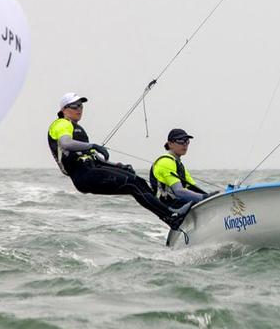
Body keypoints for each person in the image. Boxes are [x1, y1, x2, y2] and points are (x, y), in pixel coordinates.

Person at [47, 93, 189, 229]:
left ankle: (170, 212)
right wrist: (93, 145)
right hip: (83, 175)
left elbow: (95, 158)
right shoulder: (61, 124)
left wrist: (119, 166)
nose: (79, 109)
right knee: (132, 184)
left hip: (92, 169)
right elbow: (65, 143)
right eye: (75, 106)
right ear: (64, 109)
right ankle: (171, 216)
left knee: (138, 181)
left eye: (81, 106)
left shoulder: (77, 129)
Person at [149, 128, 212, 208]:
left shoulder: (178, 163)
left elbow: (194, 188)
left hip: (179, 204)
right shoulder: (165, 162)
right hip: (169, 208)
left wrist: (214, 196)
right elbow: (178, 191)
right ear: (170, 144)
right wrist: (204, 198)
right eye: (180, 141)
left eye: (187, 141)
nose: (184, 144)